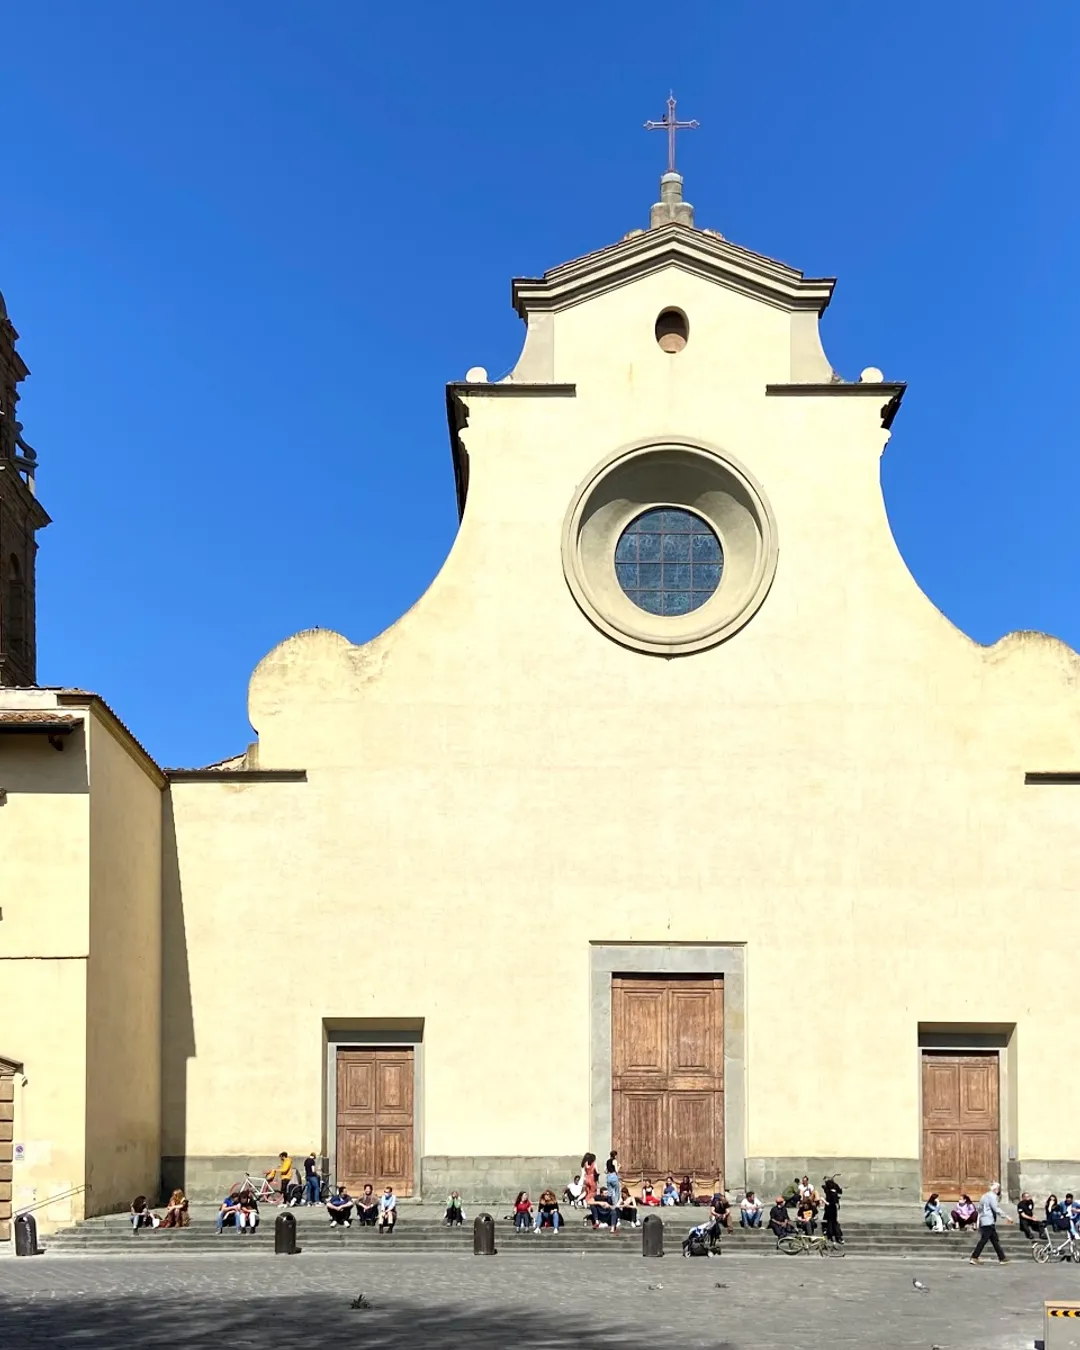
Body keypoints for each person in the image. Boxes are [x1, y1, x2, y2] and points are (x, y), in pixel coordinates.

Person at [970, 1182, 1013, 1264]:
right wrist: (1007, 1217)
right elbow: (996, 1209)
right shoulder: (992, 1196)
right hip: (988, 1221)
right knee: (984, 1240)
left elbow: (979, 1208)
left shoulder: (984, 1196)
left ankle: (1002, 1258)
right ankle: (974, 1257)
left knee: (994, 1240)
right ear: (996, 1190)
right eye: (998, 1189)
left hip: (984, 1220)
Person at [822, 1176, 843, 1244]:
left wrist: (824, 1201)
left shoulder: (828, 1191)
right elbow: (839, 1193)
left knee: (830, 1222)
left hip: (829, 1208)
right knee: (834, 1222)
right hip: (834, 1209)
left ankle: (831, 1236)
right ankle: (838, 1237)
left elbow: (829, 1202)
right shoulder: (834, 1192)